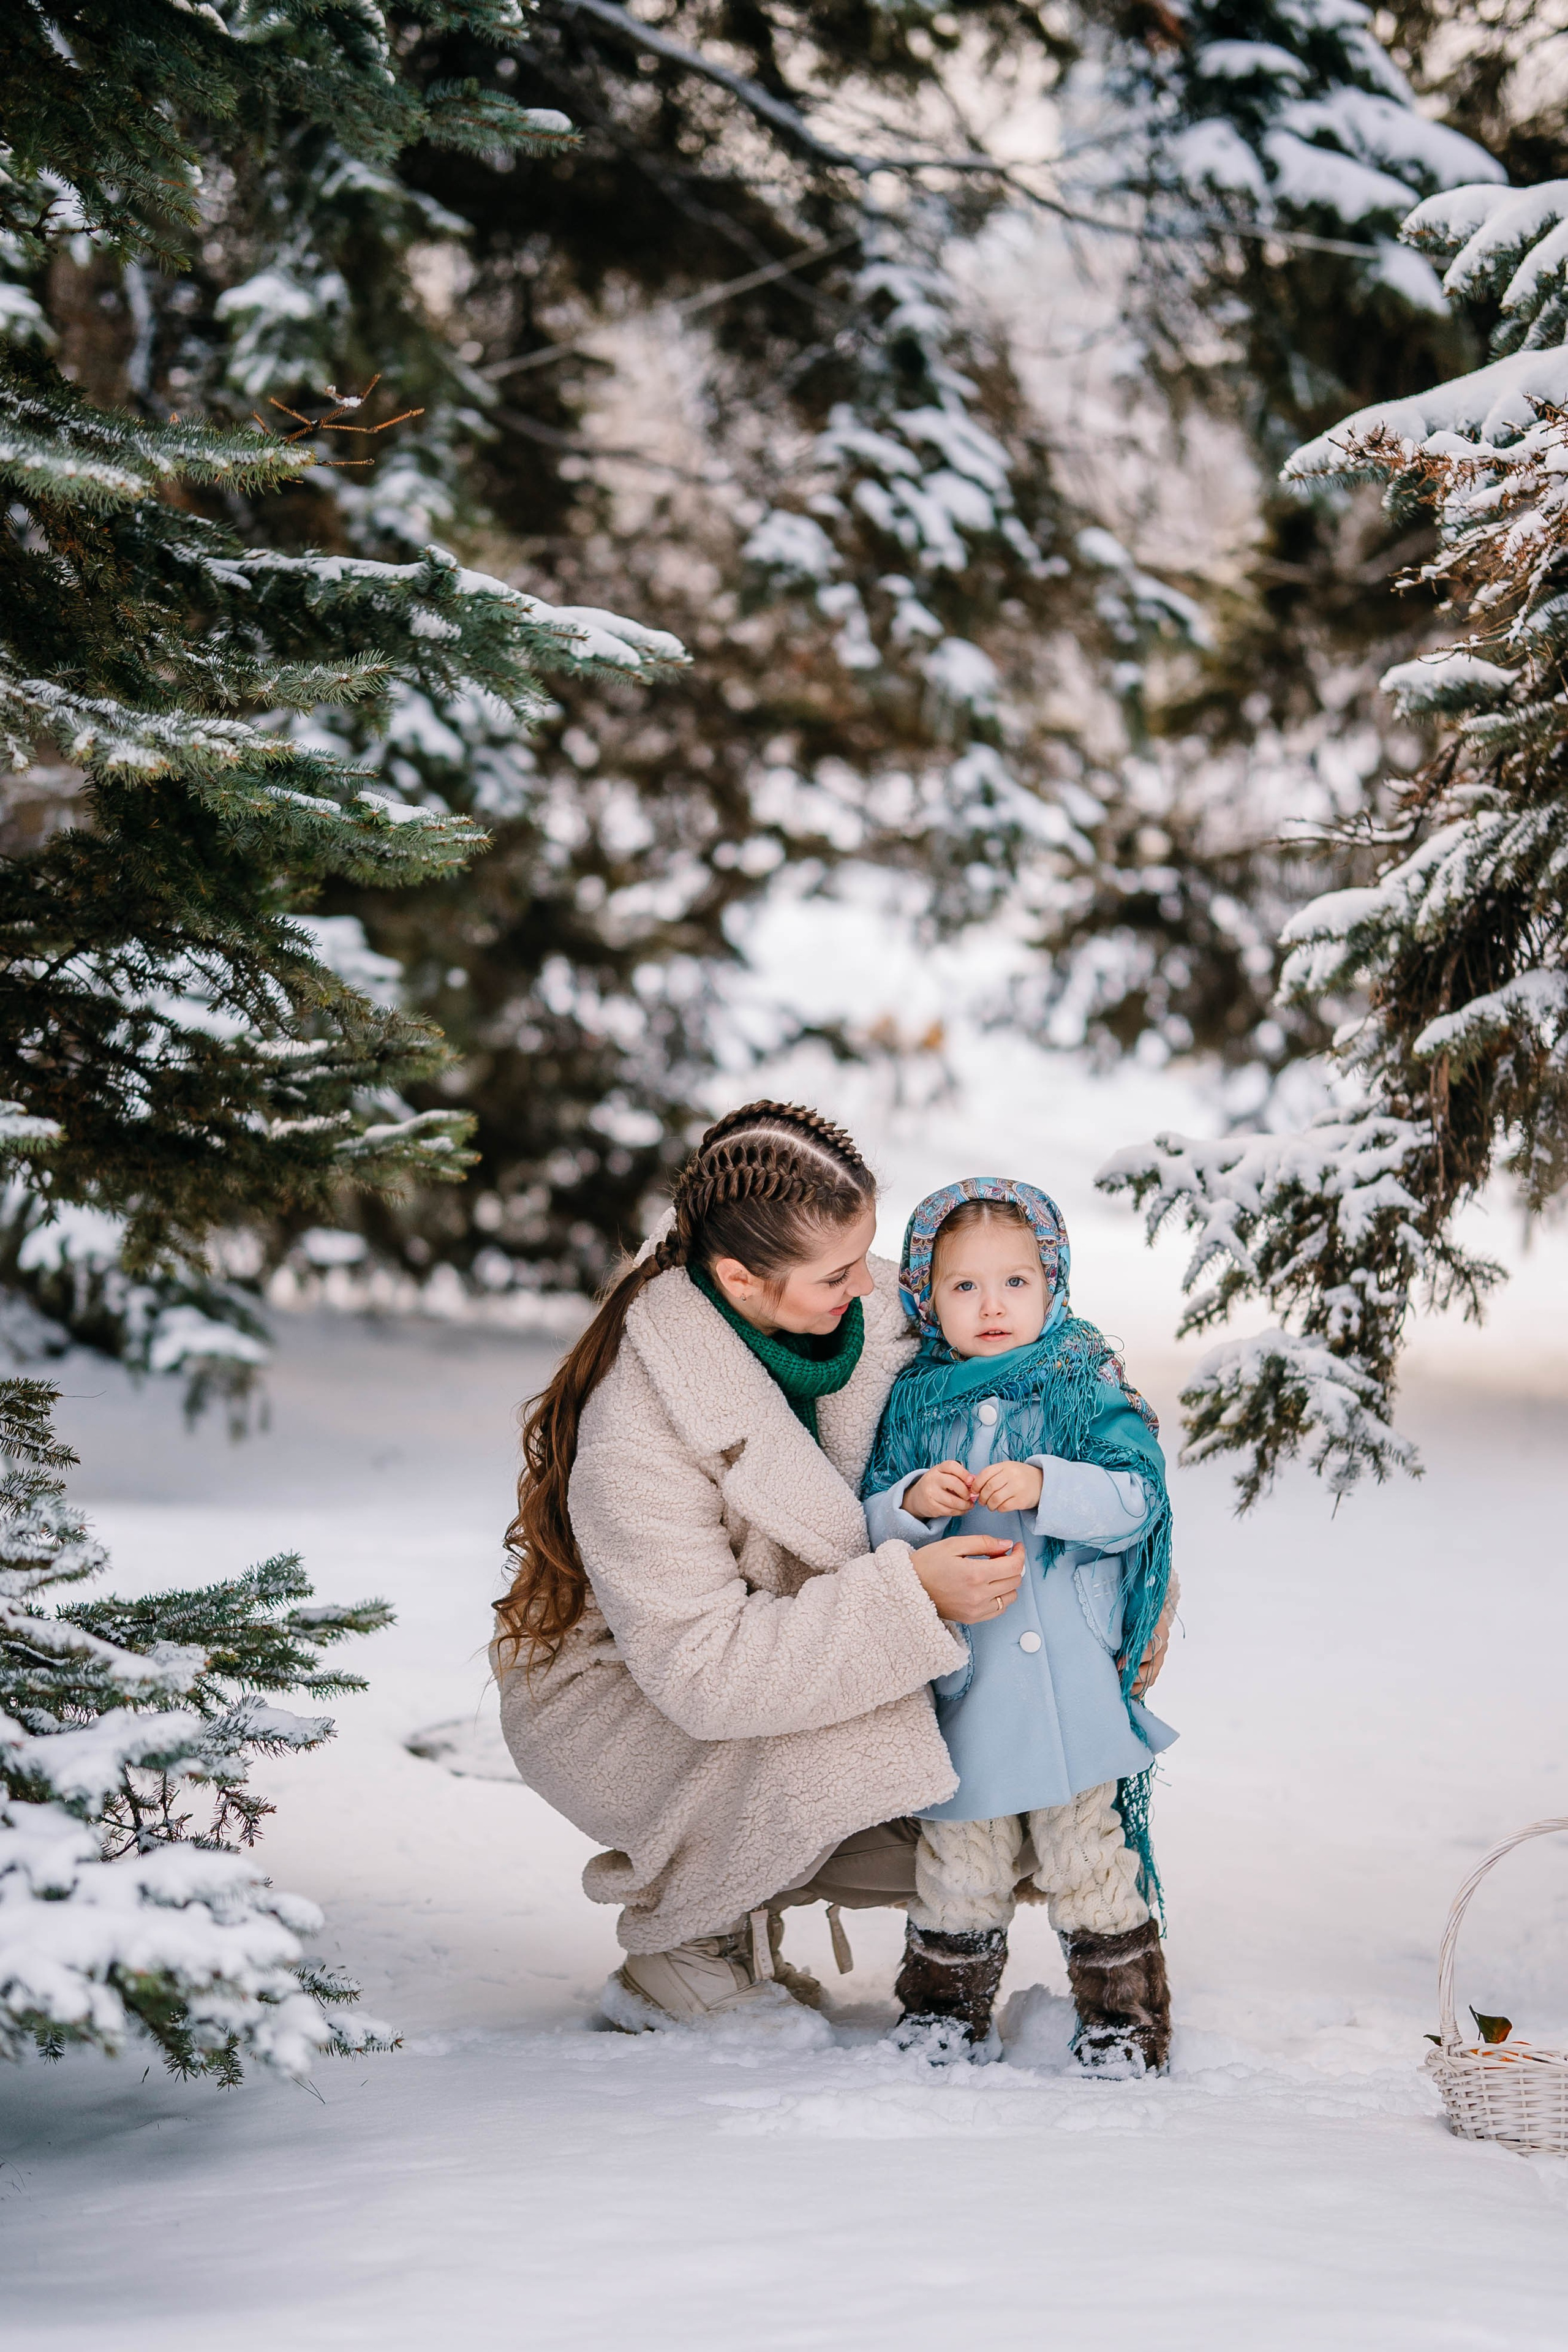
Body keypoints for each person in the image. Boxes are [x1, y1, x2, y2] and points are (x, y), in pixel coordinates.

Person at [492, 1102, 1026, 2027]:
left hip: (799, 1643)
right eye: (837, 1273)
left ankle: (742, 1896)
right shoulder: (640, 1425)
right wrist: (913, 1599)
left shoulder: (866, 1302)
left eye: (867, 1253)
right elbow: (704, 1672)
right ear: (741, 1279)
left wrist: (1140, 1589)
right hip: (635, 1703)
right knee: (941, 1797)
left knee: (1034, 1770)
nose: (873, 1284)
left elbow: (1048, 1383)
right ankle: (690, 1939)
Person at [862, 1178, 1177, 2073]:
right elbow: (869, 1526)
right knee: (960, 1864)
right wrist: (912, 1504)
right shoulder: (917, 1408)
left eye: (1014, 1284)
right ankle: (942, 2017)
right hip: (971, 1692)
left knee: (1089, 1859)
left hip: (1075, 1684)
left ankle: (1126, 2022)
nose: (991, 1306)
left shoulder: (1085, 1391)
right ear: (927, 1296)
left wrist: (1050, 1484)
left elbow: (1137, 1501)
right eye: (964, 1287)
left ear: (1054, 1287)